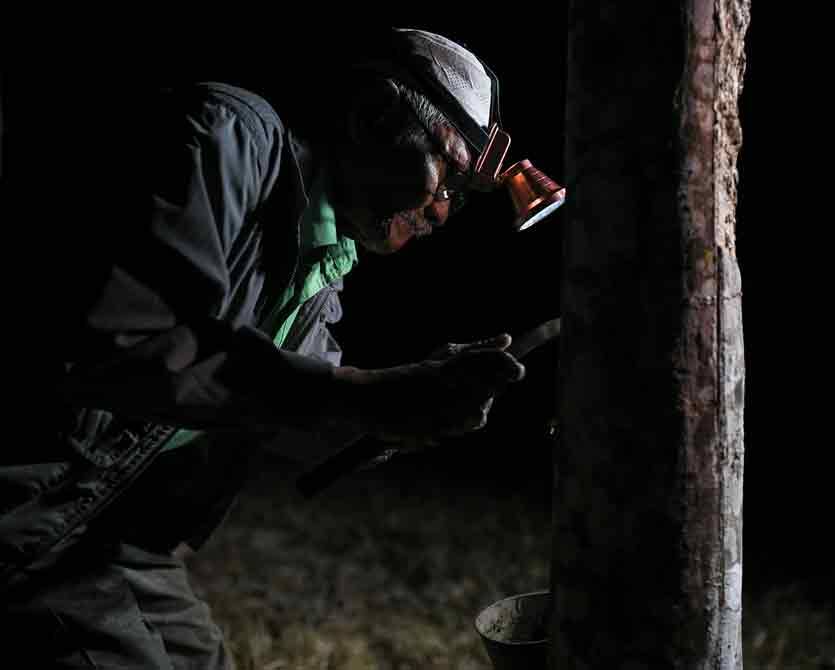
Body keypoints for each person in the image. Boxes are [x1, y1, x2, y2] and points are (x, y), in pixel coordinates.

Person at [0, 27, 559, 668]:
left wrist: (418, 401)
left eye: (461, 200)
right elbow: (126, 348)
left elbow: (305, 408)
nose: (444, 210)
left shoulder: (324, 261)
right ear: (372, 115)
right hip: (32, 512)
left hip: (116, 536)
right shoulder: (224, 137)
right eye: (449, 180)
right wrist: (368, 397)